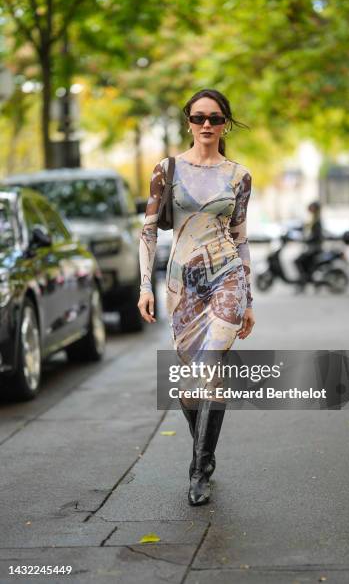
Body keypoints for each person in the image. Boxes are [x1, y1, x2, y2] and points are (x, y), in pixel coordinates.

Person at [138, 88, 255, 506]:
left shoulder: (239, 176)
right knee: (190, 384)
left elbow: (240, 237)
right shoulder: (166, 170)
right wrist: (143, 287)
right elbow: (149, 231)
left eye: (216, 118)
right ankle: (205, 452)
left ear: (225, 124)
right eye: (200, 117)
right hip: (182, 283)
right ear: (188, 121)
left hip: (227, 278)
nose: (208, 125)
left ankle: (198, 471)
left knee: (210, 367)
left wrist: (250, 299)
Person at [294, 201, 323, 291]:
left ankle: (303, 280)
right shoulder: (313, 219)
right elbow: (304, 228)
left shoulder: (317, 221)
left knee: (298, 261)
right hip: (312, 247)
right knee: (303, 262)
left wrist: (306, 240)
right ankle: (306, 279)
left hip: (315, 248)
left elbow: (316, 236)